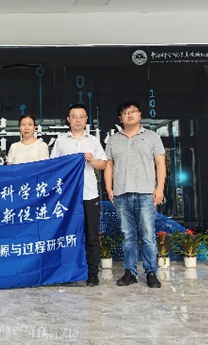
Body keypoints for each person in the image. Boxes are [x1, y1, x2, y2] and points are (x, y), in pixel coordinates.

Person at [104, 101, 166, 289]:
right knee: (128, 236)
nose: (129, 115)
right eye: (125, 113)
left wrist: (160, 188)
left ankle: (151, 273)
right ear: (120, 118)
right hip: (121, 194)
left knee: (148, 235)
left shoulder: (152, 137)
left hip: (146, 193)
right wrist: (109, 188)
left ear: (140, 114)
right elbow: (109, 165)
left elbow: (160, 163)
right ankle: (130, 272)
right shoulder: (114, 139)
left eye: (133, 111)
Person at [51, 104, 107, 287]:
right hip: (67, 197)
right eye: (74, 116)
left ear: (86, 119)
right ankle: (69, 273)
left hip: (89, 194)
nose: (77, 120)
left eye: (81, 116)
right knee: (67, 235)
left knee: (91, 235)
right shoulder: (61, 141)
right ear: (68, 119)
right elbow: (53, 166)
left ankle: (92, 274)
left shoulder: (93, 141)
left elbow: (104, 164)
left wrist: (92, 160)